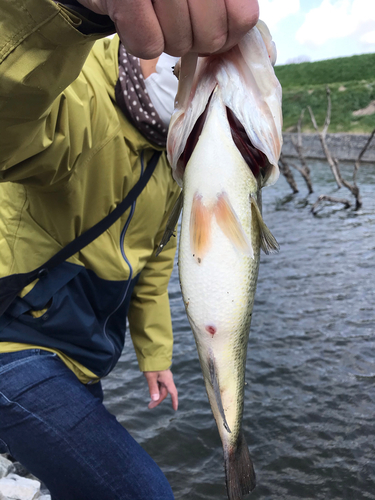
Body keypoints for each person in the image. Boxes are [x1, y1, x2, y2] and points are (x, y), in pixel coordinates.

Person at [0, 0, 260, 498]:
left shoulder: (178, 158)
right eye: (171, 46)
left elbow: (155, 266)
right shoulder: (77, 93)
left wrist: (156, 356)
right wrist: (68, 8)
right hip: (13, 340)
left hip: (78, 358)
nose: (183, 62)